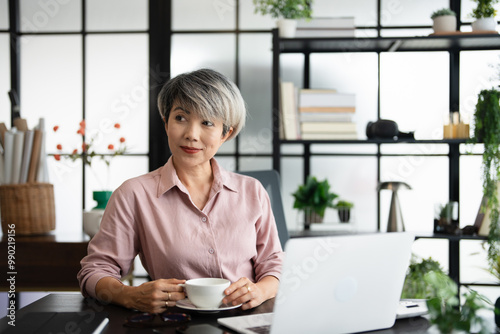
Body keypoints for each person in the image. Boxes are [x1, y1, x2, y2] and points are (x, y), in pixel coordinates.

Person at [78, 68, 284, 313]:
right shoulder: (133, 194)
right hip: (173, 322)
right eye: (180, 118)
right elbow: (94, 272)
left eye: (207, 122)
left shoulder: (252, 191)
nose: (191, 135)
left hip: (247, 321)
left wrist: (260, 290)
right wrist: (130, 295)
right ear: (166, 123)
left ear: (225, 133)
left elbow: (273, 265)